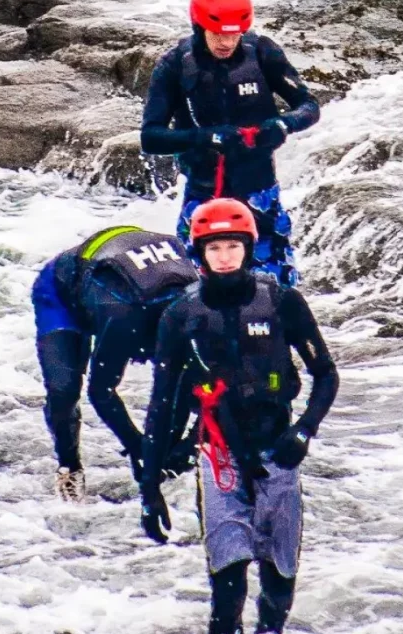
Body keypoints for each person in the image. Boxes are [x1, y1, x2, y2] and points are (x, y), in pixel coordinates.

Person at [139, 199, 339, 634]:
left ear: (248, 247)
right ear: (200, 253)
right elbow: (161, 405)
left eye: (233, 246)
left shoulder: (282, 302)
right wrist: (149, 486)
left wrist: (304, 432)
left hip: (279, 454)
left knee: (278, 582)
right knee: (227, 590)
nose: (224, 257)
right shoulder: (181, 316)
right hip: (218, 458)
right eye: (214, 248)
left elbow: (326, 375)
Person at [140, 0, 320, 288]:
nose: (227, 42)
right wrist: (206, 138)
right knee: (195, 294)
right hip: (203, 195)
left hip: (259, 193)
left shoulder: (262, 52)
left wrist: (282, 125)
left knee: (277, 291)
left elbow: (309, 106)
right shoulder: (174, 65)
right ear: (199, 26)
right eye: (218, 34)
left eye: (234, 34)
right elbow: (151, 137)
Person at [31, 226, 200, 502]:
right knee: (64, 389)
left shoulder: (202, 310)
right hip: (63, 292)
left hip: (126, 285)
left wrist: (190, 445)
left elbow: (221, 382)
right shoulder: (124, 319)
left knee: (192, 379)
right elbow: (101, 392)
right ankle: (69, 467)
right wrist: (136, 446)